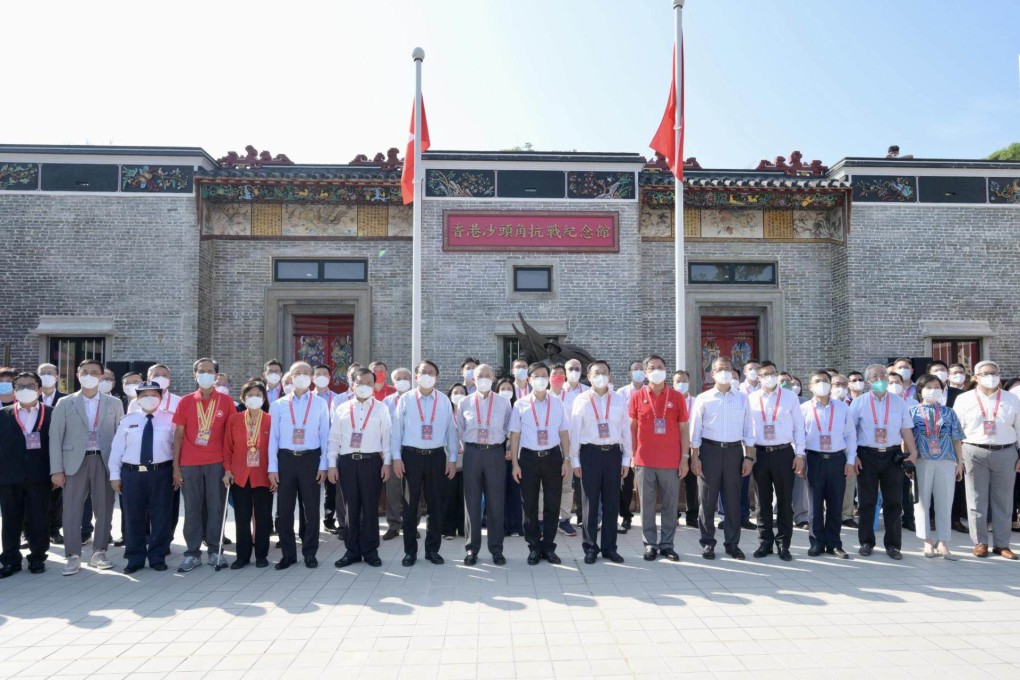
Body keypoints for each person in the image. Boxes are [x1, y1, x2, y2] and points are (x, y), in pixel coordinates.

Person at [48, 359, 124, 575]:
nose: (89, 375)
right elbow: (55, 438)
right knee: (71, 510)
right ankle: (72, 555)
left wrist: (118, 468)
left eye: (94, 372)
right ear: (77, 375)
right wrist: (57, 469)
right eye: (85, 372)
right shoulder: (65, 403)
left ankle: (99, 551)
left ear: (101, 376)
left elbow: (120, 437)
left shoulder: (114, 403)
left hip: (104, 460)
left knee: (105, 509)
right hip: (74, 462)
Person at [391, 360, 458, 566]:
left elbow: (451, 431)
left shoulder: (444, 400)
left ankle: (432, 550)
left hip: (436, 456)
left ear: (436, 377)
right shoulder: (407, 399)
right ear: (416, 376)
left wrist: (452, 459)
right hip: (411, 456)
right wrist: (396, 457)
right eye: (423, 372)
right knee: (410, 507)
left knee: (435, 506)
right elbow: (397, 430)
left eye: (431, 373)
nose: (427, 376)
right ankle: (410, 551)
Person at [172, 357, 235, 572]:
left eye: (210, 371)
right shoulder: (186, 401)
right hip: (190, 464)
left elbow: (229, 437)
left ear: (216, 376)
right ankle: (192, 553)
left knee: (216, 508)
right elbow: (178, 436)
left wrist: (228, 468)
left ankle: (215, 551)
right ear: (195, 375)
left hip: (216, 463)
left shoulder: (226, 402)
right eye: (201, 370)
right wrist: (175, 467)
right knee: (192, 509)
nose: (206, 374)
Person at [850, 364, 918, 560]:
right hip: (866, 455)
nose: (879, 378)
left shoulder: (899, 403)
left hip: (892, 455)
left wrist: (912, 453)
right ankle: (866, 542)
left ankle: (893, 545)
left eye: (882, 374)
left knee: (894, 502)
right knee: (866, 501)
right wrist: (853, 455)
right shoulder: (859, 403)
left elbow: (906, 430)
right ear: (868, 381)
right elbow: (851, 432)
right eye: (874, 376)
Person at [953, 360, 1020, 559]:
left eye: (994, 372)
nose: (990, 376)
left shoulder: (1011, 399)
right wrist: (959, 459)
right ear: (975, 377)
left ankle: (1002, 544)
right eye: (985, 373)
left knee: (1004, 500)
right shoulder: (964, 399)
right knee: (976, 498)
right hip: (974, 451)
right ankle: (980, 542)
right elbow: (957, 431)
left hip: (1006, 451)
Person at [268, 361, 329, 569]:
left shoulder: (320, 403)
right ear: (291, 378)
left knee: (311, 509)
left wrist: (323, 465)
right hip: (286, 459)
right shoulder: (279, 405)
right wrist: (272, 468)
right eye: (297, 373)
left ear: (312, 377)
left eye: (305, 373)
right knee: (285, 510)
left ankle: (310, 553)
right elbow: (273, 439)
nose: (301, 376)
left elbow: (324, 436)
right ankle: (288, 553)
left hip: (310, 459)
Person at [109, 381, 175, 574]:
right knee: (133, 517)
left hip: (161, 473)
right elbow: (117, 449)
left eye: (154, 394)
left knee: (161, 517)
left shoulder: (170, 420)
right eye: (144, 395)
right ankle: (135, 558)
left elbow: (176, 447)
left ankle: (158, 557)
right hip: (132, 474)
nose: (149, 398)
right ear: (137, 399)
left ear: (161, 397)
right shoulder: (128, 420)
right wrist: (115, 475)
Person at [329, 368, 392, 569]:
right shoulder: (342, 408)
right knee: (351, 508)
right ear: (352, 384)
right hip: (347, 462)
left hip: (372, 462)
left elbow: (387, 438)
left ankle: (370, 550)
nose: (364, 386)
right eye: (360, 382)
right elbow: (334, 439)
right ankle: (352, 550)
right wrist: (332, 465)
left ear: (374, 386)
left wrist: (387, 463)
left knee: (370, 507)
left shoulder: (381, 408)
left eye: (369, 383)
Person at [509, 363, 571, 566]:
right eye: (536, 376)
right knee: (530, 505)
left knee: (553, 504)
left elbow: (564, 433)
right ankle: (534, 547)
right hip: (528, 458)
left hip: (553, 457)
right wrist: (515, 464)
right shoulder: (520, 404)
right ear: (529, 379)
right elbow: (515, 435)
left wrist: (566, 459)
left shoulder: (557, 403)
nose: (541, 379)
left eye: (544, 375)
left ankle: (549, 547)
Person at [570, 359, 631, 564]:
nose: (600, 376)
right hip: (590, 454)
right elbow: (575, 432)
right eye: (596, 372)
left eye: (604, 372)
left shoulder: (619, 399)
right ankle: (590, 547)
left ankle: (609, 547)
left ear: (610, 375)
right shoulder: (581, 400)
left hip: (613, 454)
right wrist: (575, 461)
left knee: (612, 503)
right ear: (589, 377)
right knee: (590, 503)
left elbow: (625, 430)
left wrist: (626, 459)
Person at [689, 357, 749, 560]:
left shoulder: (742, 398)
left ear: (733, 373)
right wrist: (694, 458)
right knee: (707, 500)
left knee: (733, 500)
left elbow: (749, 430)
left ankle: (732, 544)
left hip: (734, 452)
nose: (724, 372)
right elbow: (695, 431)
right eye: (719, 369)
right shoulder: (703, 398)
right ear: (712, 373)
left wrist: (749, 457)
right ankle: (707, 543)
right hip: (709, 451)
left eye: (727, 369)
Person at [631, 355, 689, 561]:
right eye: (652, 368)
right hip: (644, 460)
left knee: (670, 504)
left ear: (666, 370)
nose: (657, 370)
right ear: (646, 373)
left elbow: (684, 429)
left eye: (660, 367)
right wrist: (632, 454)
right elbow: (632, 427)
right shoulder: (638, 396)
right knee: (646, 505)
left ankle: (667, 544)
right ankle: (650, 544)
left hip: (671, 460)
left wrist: (684, 458)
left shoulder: (676, 397)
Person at [746, 361, 804, 561]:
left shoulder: (790, 398)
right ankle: (765, 541)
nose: (768, 377)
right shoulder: (751, 399)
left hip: (784, 453)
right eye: (764, 374)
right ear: (758, 377)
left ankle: (783, 543)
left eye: (772, 373)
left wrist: (800, 455)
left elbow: (799, 428)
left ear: (777, 375)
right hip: (760, 454)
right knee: (762, 502)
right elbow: (747, 430)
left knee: (785, 501)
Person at [456, 363, 511, 565]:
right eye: (480, 375)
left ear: (494, 378)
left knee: (496, 502)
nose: (484, 378)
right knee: (471, 502)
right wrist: (470, 447)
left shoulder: (504, 403)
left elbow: (507, 428)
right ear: (472, 378)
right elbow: (460, 430)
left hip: (495, 453)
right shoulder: (465, 402)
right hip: (472, 453)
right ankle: (472, 549)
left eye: (488, 375)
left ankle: (496, 549)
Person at [0, 372, 53, 577]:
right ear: (14, 391)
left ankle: (37, 557)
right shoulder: (3, 414)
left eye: (30, 386)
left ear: (39, 390)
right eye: (20, 386)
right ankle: (10, 559)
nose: (25, 390)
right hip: (9, 476)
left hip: (40, 476)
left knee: (39, 518)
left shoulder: (52, 413)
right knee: (10, 519)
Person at [801, 371, 856, 558]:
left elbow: (850, 436)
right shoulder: (804, 409)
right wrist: (799, 457)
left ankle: (834, 543)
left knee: (835, 503)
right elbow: (798, 437)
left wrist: (850, 461)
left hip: (837, 459)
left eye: (825, 381)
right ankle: (816, 542)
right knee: (815, 504)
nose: (822, 384)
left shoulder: (842, 408)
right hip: (813, 458)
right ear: (810, 386)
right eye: (817, 381)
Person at [909, 374, 964, 559]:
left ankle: (943, 542)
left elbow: (957, 439)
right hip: (921, 460)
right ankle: (927, 541)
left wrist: (960, 462)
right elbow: (906, 439)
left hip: (946, 460)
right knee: (922, 502)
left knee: (945, 501)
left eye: (937, 387)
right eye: (929, 387)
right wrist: (908, 461)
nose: (933, 390)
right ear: (920, 391)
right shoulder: (912, 411)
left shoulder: (949, 412)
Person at [223, 380, 273, 569]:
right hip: (239, 475)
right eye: (250, 395)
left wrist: (274, 473)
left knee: (262, 517)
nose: (254, 398)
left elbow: (274, 449)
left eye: (258, 395)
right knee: (242, 517)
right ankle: (242, 556)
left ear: (263, 398)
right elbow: (227, 448)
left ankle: (261, 555)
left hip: (263, 475)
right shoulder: (234, 419)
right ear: (243, 398)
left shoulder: (270, 419)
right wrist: (227, 470)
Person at [37, 363, 68, 545]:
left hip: (58, 452)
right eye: (42, 373)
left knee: (56, 495)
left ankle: (55, 529)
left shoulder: (66, 399)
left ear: (57, 376)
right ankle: (29, 530)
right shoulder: (29, 398)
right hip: (35, 453)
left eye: (50, 373)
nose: (46, 376)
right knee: (33, 493)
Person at [382, 367, 415, 541]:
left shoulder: (415, 399)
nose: (402, 381)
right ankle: (393, 525)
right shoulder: (386, 402)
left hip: (412, 450)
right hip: (392, 451)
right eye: (398, 378)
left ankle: (412, 525)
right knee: (393, 489)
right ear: (393, 383)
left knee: (412, 490)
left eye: (405, 378)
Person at [312, 363, 344, 537]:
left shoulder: (337, 398)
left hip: (332, 446)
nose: (322, 376)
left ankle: (329, 519)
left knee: (331, 485)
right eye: (318, 374)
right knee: (311, 485)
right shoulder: (308, 397)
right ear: (312, 377)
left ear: (330, 378)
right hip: (313, 447)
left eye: (325, 373)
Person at [496, 377, 524, 537]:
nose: (506, 392)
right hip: (496, 454)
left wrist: (513, 453)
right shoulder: (494, 408)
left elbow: (521, 433)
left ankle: (515, 526)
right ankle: (502, 526)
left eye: (509, 389)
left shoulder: (518, 408)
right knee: (499, 492)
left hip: (515, 455)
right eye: (502, 389)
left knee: (515, 491)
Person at [442, 383, 469, 540]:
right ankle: (448, 528)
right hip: (449, 458)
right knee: (449, 495)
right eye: (455, 392)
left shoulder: (469, 412)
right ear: (450, 395)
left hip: (467, 459)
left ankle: (463, 528)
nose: (458, 394)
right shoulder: (445, 412)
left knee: (464, 496)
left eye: (462, 392)